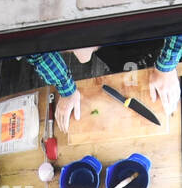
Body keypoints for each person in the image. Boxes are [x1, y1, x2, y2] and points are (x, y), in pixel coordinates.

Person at [26, 37, 182, 132]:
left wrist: (166, 68)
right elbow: (35, 49)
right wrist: (66, 89)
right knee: (127, 68)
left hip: (155, 36)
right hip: (112, 45)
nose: (81, 60)